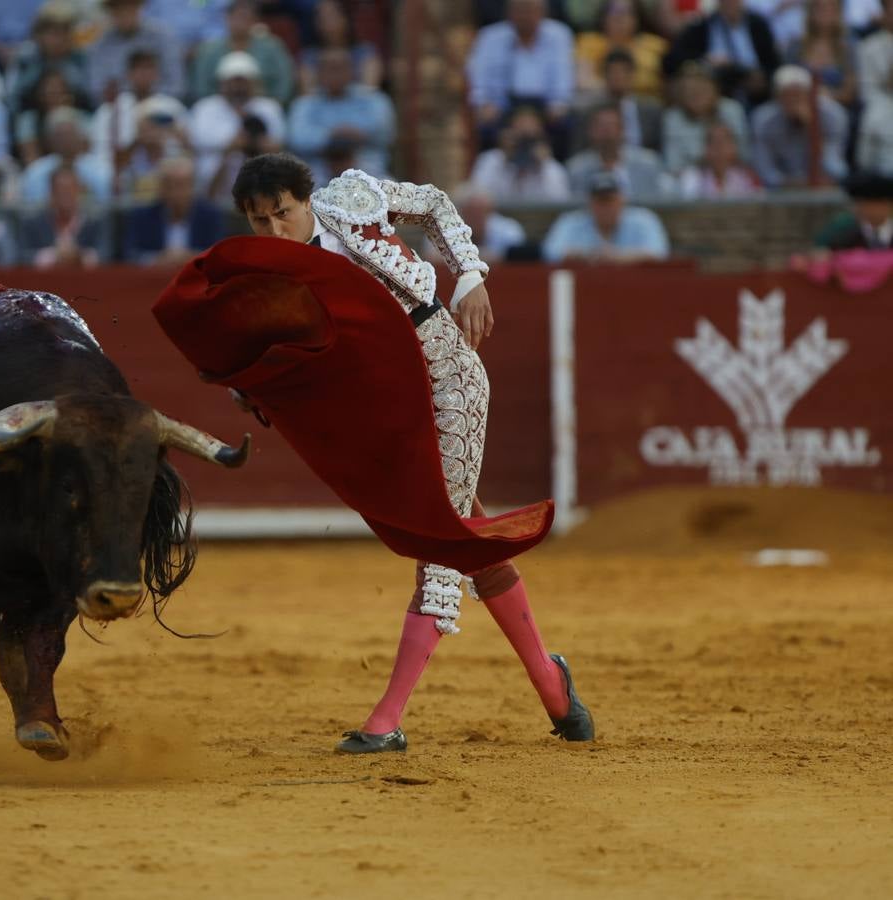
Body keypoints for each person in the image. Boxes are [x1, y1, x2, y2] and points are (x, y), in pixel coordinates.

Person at [168, 152, 595, 752]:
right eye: (258, 220)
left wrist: (470, 275)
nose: (273, 230)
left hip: (447, 377)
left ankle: (386, 719)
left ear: (306, 200)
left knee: (441, 545)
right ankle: (553, 687)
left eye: (282, 213)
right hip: (387, 407)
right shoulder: (265, 279)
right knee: (466, 538)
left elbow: (435, 205)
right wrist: (251, 389)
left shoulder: (351, 200)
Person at [465, 0, 575, 157]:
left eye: (530, 10)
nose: (525, 16)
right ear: (509, 13)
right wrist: (483, 103)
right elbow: (476, 78)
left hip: (543, 107)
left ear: (542, 12)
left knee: (565, 124)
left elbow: (563, 79)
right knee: (482, 127)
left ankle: (554, 167)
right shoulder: (490, 36)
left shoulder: (559, 34)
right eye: (520, 10)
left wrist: (558, 104)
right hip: (502, 107)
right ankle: (491, 166)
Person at [287, 48, 396, 183]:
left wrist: (358, 135)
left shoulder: (373, 99)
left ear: (352, 71)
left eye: (340, 69)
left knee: (389, 187)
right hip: (318, 169)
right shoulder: (304, 104)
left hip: (366, 166)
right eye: (330, 69)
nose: (335, 75)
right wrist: (331, 136)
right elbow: (296, 138)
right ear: (319, 73)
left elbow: (385, 133)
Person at [188, 51, 287, 200]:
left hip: (261, 185)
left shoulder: (269, 108)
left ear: (254, 83)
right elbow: (195, 143)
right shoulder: (204, 109)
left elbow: (277, 144)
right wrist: (231, 146)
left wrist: (258, 145)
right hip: (213, 186)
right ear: (222, 83)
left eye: (243, 82)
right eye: (233, 82)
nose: (238, 88)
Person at [662, 0, 781, 107]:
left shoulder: (758, 25)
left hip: (755, 89)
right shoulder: (702, 26)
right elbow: (671, 59)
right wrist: (705, 59)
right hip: (716, 90)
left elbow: (774, 62)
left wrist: (763, 76)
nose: (729, 3)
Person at [750, 65, 849, 188]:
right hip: (782, 192)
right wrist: (789, 183)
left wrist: (812, 129)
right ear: (777, 97)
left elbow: (836, 169)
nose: (793, 102)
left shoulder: (833, 115)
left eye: (797, 95)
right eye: (787, 96)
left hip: (825, 188)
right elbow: (765, 172)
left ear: (810, 95)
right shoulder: (764, 119)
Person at [90, 49, 189, 171]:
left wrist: (174, 134)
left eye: (149, 68)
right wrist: (140, 139)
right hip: (126, 175)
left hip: (166, 173)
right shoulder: (110, 109)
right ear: (129, 74)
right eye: (139, 69)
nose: (144, 74)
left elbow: (188, 151)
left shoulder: (172, 107)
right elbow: (103, 159)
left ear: (157, 74)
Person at [542, 170, 670, 262]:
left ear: (622, 201)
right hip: (586, 285)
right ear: (590, 203)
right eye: (600, 201)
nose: (605, 207)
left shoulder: (644, 220)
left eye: (610, 200)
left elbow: (659, 253)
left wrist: (616, 257)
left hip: (635, 285)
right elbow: (550, 253)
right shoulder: (570, 222)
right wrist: (588, 255)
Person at [190, 0, 297, 105]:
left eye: (245, 18)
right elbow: (201, 86)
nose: (240, 23)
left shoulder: (272, 47)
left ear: (254, 21)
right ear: (227, 19)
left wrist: (275, 103)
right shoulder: (210, 50)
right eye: (236, 18)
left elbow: (284, 81)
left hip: (262, 104)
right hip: (219, 106)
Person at [122, 155, 226, 263]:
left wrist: (190, 257)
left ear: (193, 187)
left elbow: (218, 254)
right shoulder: (142, 216)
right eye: (169, 185)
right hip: (156, 273)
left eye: (182, 185)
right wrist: (157, 258)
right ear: (161, 188)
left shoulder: (211, 216)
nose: (176, 192)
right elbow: (130, 254)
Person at [3, 3, 91, 120]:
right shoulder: (25, 57)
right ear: (39, 34)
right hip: (32, 117)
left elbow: (89, 100)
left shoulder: (80, 58)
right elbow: (12, 99)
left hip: (72, 117)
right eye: (54, 33)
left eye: (65, 33)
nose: (59, 40)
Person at [566, 103, 671, 199]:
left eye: (611, 126)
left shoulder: (648, 163)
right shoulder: (576, 168)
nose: (607, 132)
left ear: (623, 130)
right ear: (590, 131)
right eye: (601, 126)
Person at [87, 0, 185, 103]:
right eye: (118, 8)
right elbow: (96, 89)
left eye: (129, 6)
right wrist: (127, 99)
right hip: (117, 106)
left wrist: (147, 99)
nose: (124, 12)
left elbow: (176, 85)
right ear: (110, 11)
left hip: (160, 104)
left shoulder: (162, 37)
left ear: (139, 6)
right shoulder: (101, 44)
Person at [467, 106, 572, 202]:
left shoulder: (551, 167)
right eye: (519, 133)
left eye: (529, 136)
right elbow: (477, 198)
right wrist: (505, 160)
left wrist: (542, 167)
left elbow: (560, 201)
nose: (524, 136)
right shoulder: (490, 160)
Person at [661, 63, 752, 174]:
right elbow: (673, 165)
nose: (696, 96)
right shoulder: (673, 117)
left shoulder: (732, 109)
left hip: (731, 174)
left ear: (715, 89)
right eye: (690, 92)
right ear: (680, 95)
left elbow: (744, 155)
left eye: (702, 89)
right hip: (691, 178)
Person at [574, 0, 668, 101]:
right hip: (600, 101)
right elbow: (582, 81)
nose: (620, 17)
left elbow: (667, 83)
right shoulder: (588, 42)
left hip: (649, 102)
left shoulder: (655, 46)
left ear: (637, 17)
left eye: (627, 12)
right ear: (603, 16)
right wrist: (618, 88)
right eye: (614, 11)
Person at [18, 109, 113, 206]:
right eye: (60, 136)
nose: (65, 141)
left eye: (69, 135)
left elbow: (107, 204)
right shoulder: (35, 172)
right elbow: (30, 207)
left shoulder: (101, 170)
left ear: (80, 137)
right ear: (50, 140)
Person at [574, 50, 663, 153]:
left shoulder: (651, 110)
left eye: (623, 72)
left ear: (632, 75)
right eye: (613, 72)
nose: (617, 77)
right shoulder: (589, 113)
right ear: (604, 76)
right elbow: (579, 150)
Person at [20, 166, 109, 268]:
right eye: (60, 190)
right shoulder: (33, 223)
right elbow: (22, 257)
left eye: (70, 189)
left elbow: (106, 255)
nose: (65, 195)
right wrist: (53, 255)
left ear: (78, 191)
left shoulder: (95, 222)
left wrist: (79, 255)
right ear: (51, 192)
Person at [785, 0, 859, 109]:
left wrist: (827, 97)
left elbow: (850, 92)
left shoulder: (848, 46)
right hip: (798, 106)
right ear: (810, 11)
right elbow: (785, 82)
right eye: (820, 8)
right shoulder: (795, 45)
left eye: (831, 8)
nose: (825, 13)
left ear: (839, 12)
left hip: (837, 107)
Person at [298, 0, 383, 93]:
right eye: (322, 18)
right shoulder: (309, 56)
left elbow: (370, 90)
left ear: (345, 18)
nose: (327, 23)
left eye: (332, 16)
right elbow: (308, 92)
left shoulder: (365, 53)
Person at [677, 121, 763, 198]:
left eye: (724, 143)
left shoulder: (748, 178)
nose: (720, 150)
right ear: (705, 149)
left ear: (734, 148)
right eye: (714, 143)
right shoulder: (691, 178)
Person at [856, 0, 893, 176]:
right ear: (884, 13)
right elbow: (867, 90)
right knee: (875, 119)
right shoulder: (868, 46)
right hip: (881, 101)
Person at [813, 172, 893, 250]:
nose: (873, 210)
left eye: (879, 204)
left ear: (890, 205)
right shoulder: (841, 233)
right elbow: (819, 250)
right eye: (867, 204)